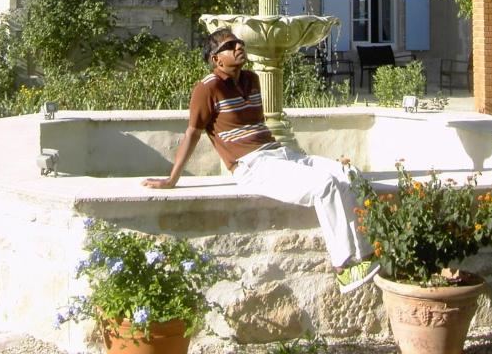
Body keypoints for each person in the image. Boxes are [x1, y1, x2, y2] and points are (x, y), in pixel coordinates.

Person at [143, 27, 379, 292]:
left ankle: (366, 255)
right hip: (251, 165)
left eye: (239, 42)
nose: (238, 47)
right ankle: (344, 267)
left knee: (350, 174)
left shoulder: (252, 79)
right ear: (215, 59)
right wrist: (173, 178)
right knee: (324, 185)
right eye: (230, 45)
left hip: (279, 154)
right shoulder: (206, 89)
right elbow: (192, 133)